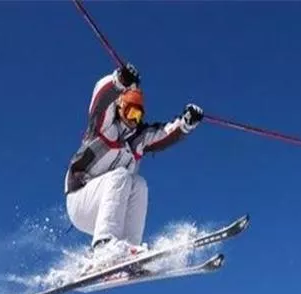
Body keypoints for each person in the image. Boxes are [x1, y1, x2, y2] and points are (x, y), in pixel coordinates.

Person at [64, 63, 204, 265]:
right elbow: (101, 101)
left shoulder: (138, 141)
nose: (134, 119)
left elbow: (163, 134)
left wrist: (185, 124)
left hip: (107, 213)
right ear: (120, 107)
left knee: (139, 184)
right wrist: (119, 81)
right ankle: (104, 248)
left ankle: (128, 252)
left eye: (138, 116)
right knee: (120, 175)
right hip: (80, 200)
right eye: (130, 113)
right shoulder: (104, 128)